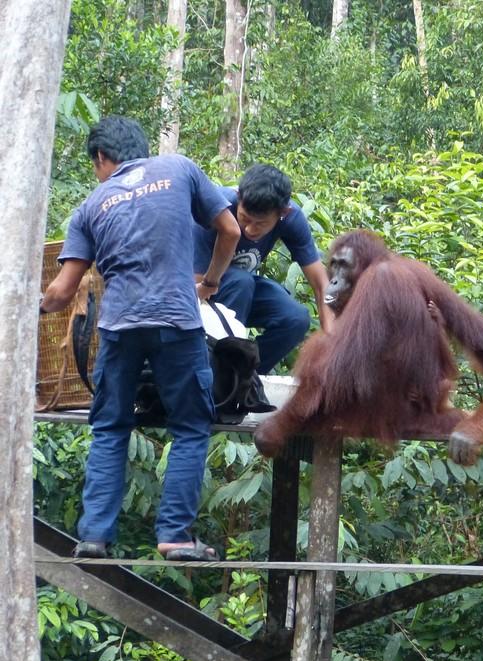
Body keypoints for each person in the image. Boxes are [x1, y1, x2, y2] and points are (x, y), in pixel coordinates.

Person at [41, 115, 241, 562]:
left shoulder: (91, 206)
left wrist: (29, 305)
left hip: (118, 328)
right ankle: (174, 537)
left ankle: (94, 536)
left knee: (110, 427)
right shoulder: (179, 168)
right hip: (176, 322)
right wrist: (209, 281)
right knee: (189, 427)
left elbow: (60, 293)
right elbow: (230, 230)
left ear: (101, 158)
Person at [192, 164, 334, 376]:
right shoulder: (216, 208)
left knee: (296, 318)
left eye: (261, 224)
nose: (249, 229)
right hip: (197, 291)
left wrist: (333, 340)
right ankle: (217, 375)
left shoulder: (292, 219)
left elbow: (322, 284)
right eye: (245, 218)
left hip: (242, 291)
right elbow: (194, 289)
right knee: (241, 281)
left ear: (282, 213)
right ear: (238, 197)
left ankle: (246, 377)